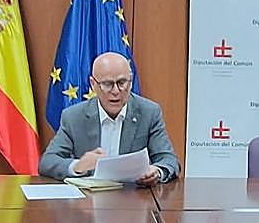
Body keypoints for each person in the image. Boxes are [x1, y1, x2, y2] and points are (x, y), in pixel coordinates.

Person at [38, 52, 180, 186]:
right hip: (88, 203)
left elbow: (169, 160)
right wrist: (78, 166)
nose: (116, 91)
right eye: (107, 84)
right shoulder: (73, 117)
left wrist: (156, 171)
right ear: (93, 84)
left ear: (130, 82)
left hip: (133, 199)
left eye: (122, 82)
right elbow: (47, 162)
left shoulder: (149, 113)